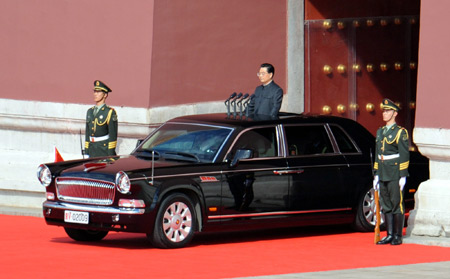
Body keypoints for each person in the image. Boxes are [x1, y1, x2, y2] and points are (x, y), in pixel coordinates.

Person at [373, 98, 409, 245]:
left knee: (396, 203)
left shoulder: (401, 132)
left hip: (394, 171)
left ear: (394, 113)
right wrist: (376, 173)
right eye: (384, 111)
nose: (384, 113)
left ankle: (397, 235)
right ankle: (389, 234)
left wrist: (402, 175)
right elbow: (377, 154)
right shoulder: (380, 131)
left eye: (387, 111)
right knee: (385, 203)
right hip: (382, 170)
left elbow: (404, 154)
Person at [84, 80, 118, 157]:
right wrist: (86, 152)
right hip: (92, 150)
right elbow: (87, 134)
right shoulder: (90, 111)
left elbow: (113, 136)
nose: (95, 94)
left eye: (98, 92)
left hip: (103, 150)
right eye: (95, 91)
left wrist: (110, 154)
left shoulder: (109, 112)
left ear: (105, 95)